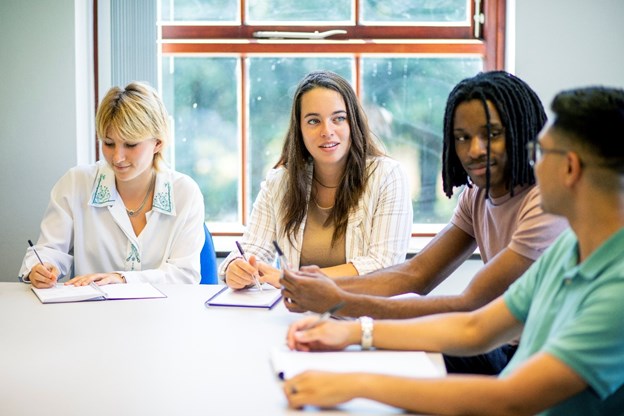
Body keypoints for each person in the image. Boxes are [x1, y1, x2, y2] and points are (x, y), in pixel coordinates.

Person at [283, 86, 624, 415]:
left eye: (541, 152)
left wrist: (356, 383)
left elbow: (511, 399)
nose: (534, 164)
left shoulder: (617, 293)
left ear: (570, 167)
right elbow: (474, 328)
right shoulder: (570, 246)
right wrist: (351, 331)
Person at [219, 70, 413, 289]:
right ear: (299, 129)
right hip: (296, 314)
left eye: (338, 118)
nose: (327, 131)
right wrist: (236, 267)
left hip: (364, 314)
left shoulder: (388, 177)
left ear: (353, 123)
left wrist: (294, 280)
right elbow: (252, 249)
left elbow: (384, 265)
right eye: (313, 121)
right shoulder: (280, 182)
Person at [19, 81, 205, 287]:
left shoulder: (185, 193)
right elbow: (49, 250)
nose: (117, 157)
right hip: (92, 314)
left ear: (158, 143)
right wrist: (42, 267)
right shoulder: (76, 183)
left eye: (131, 144)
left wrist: (122, 279)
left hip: (161, 316)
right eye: (108, 143)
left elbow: (185, 276)